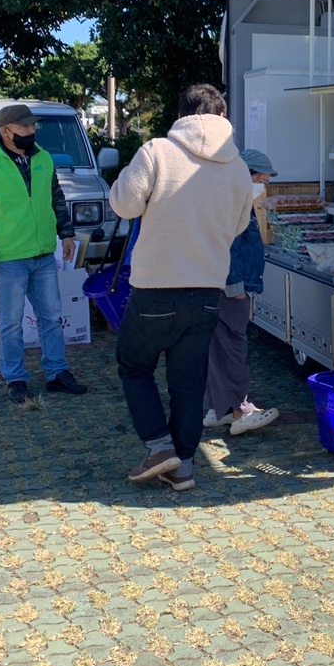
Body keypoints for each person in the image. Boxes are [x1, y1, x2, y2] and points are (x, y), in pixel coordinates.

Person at [109, 83, 255, 492]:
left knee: (134, 365)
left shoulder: (157, 151)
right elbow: (239, 226)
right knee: (188, 382)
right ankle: (184, 467)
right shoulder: (238, 167)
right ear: (222, 117)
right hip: (208, 288)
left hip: (156, 286)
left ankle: (159, 447)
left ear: (181, 115)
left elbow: (124, 204)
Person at [0, 103, 89, 404]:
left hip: (44, 253)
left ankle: (57, 373)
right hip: (8, 257)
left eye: (32, 125)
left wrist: (67, 234)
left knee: (52, 317)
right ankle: (16, 379)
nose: (31, 130)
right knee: (10, 323)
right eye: (24, 126)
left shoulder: (44, 158)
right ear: (5, 131)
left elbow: (57, 199)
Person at [203, 148, 280, 436]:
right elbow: (230, 246)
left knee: (218, 347)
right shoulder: (233, 198)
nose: (264, 185)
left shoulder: (224, 193)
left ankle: (217, 408)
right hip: (230, 288)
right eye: (261, 179)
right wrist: (235, 287)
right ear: (247, 174)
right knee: (234, 348)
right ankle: (240, 411)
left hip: (217, 284)